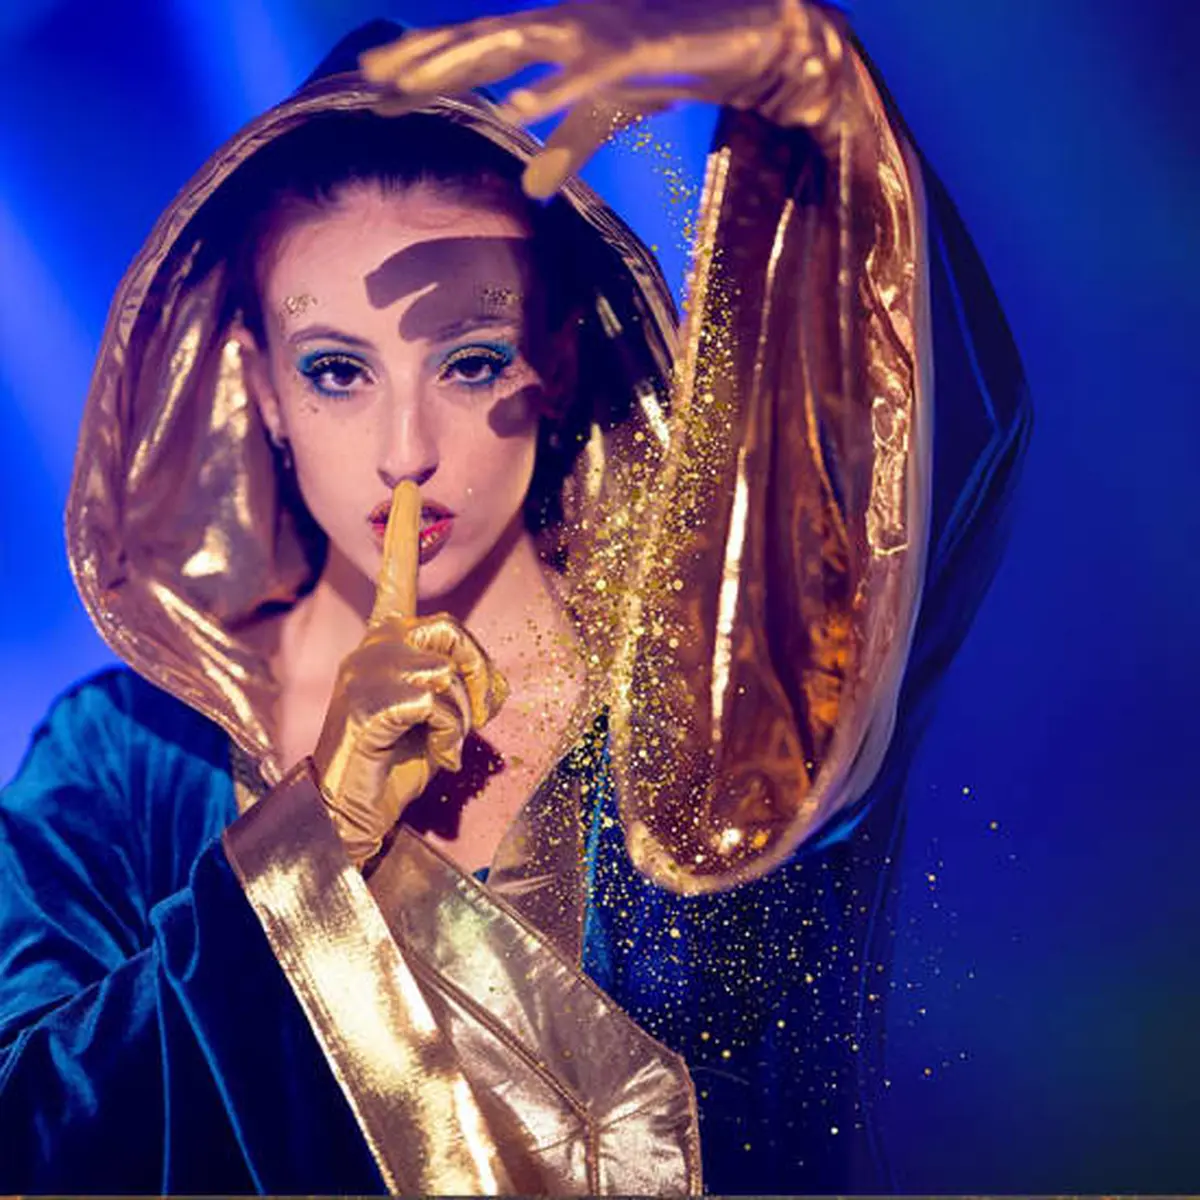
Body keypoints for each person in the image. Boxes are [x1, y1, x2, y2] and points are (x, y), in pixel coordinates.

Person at [0, 1, 1030, 1193]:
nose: (404, 450)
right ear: (261, 390)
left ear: (560, 357)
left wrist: (824, 117)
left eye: (469, 360)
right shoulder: (130, 761)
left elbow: (919, 464)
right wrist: (314, 838)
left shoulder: (725, 697)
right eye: (336, 370)